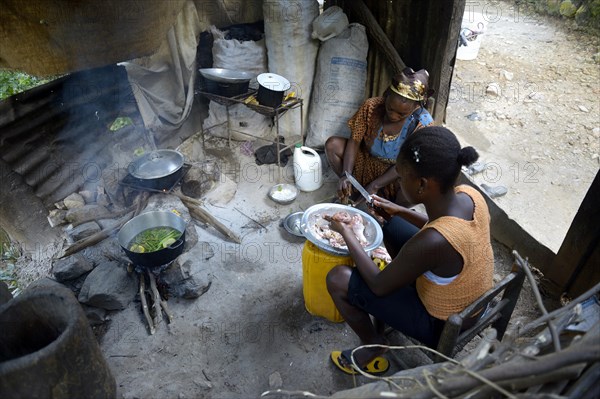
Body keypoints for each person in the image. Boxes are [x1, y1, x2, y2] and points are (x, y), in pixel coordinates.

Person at [325, 126, 494, 375]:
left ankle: (373, 345)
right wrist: (400, 210)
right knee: (393, 224)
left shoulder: (432, 242)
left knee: (338, 279)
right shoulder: (470, 195)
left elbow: (378, 285)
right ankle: (393, 296)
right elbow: (447, 229)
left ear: (423, 184)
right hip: (475, 302)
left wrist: (346, 232)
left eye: (402, 177)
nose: (399, 181)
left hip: (442, 324)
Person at [325, 67, 434, 205]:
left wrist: (375, 185)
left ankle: (391, 212)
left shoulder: (422, 124)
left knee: (417, 186)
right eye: (390, 109)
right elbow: (354, 141)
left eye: (401, 114)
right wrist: (346, 175)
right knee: (332, 145)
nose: (393, 116)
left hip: (396, 174)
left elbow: (406, 164)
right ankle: (354, 191)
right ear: (386, 96)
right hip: (365, 161)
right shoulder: (371, 106)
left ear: (415, 107)